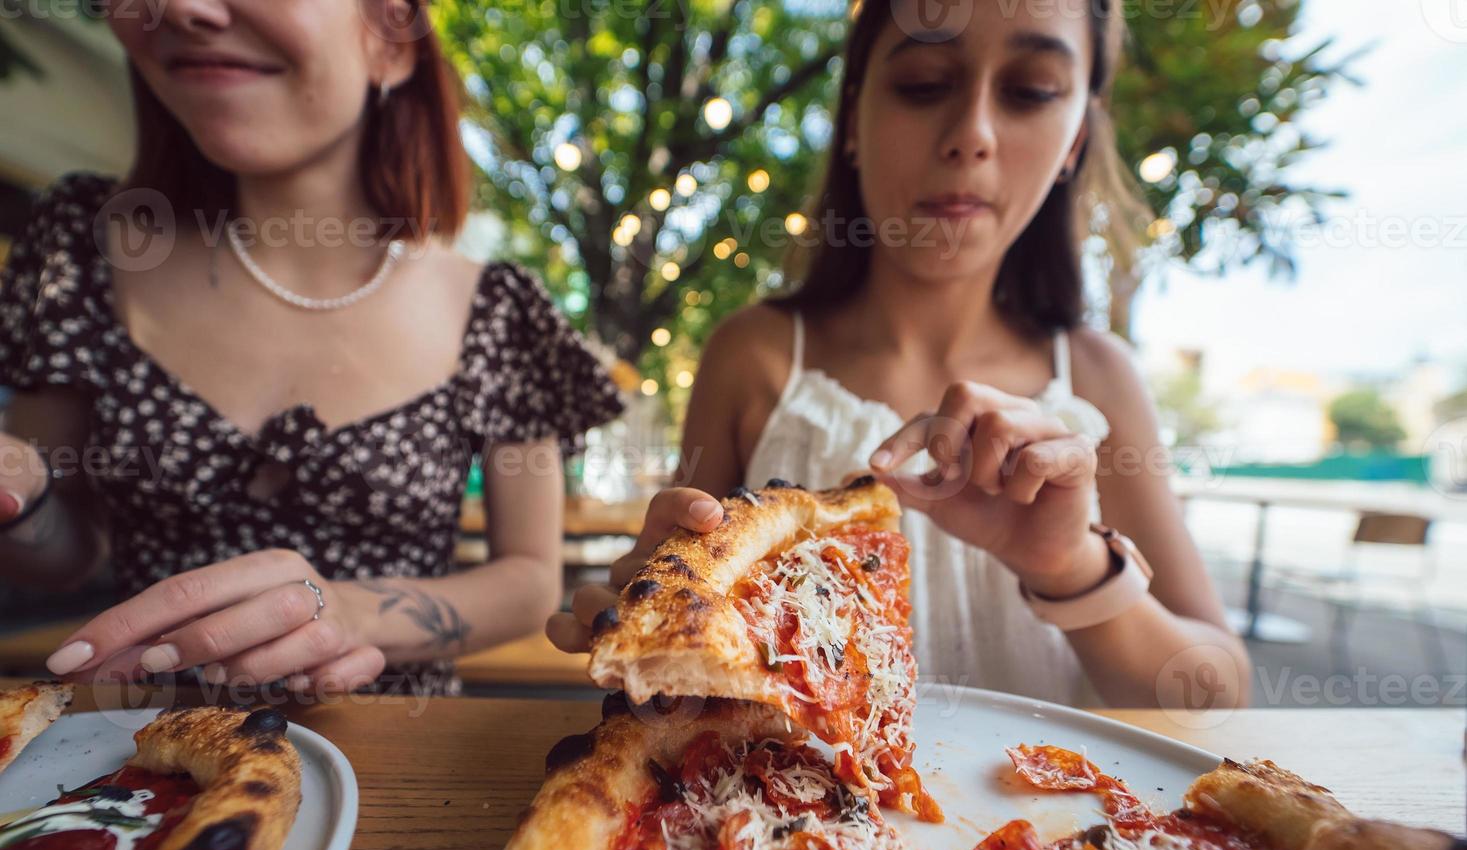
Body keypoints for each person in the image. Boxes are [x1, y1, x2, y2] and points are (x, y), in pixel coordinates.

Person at [549, 0, 1250, 709]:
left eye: (1030, 90)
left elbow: (1216, 697)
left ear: (1074, 141)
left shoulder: (1098, 382)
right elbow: (675, 658)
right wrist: (655, 616)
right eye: (922, 83)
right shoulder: (753, 356)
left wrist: (1071, 566)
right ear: (852, 118)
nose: (971, 134)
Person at [0, 0, 622, 696]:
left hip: (397, 768)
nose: (181, 7)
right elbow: (68, 551)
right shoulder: (83, 245)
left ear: (391, 38)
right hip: (131, 764)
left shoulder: (501, 310)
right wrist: (17, 503)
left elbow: (530, 580)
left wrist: (347, 611)